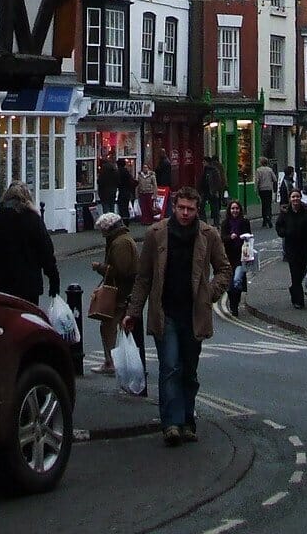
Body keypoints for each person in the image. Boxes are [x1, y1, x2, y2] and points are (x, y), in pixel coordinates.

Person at [125, 186, 230, 447]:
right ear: (173, 206)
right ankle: (171, 423)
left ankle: (187, 421)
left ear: (197, 210)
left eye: (190, 209)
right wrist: (133, 312)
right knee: (170, 367)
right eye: (181, 208)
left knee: (189, 371)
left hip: (194, 314)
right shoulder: (156, 234)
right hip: (166, 312)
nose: (185, 213)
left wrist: (210, 293)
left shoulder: (209, 235)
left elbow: (224, 269)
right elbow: (144, 278)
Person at [0, 180, 59, 303]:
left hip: (3, 285)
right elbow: (46, 253)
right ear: (27, 199)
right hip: (29, 286)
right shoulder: (33, 220)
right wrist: (54, 279)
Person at [89, 211, 140, 375]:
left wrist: (100, 268)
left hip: (119, 292)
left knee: (108, 327)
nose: (102, 234)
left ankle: (111, 362)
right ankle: (124, 360)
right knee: (122, 327)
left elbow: (121, 270)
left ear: (108, 229)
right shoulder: (121, 239)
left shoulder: (120, 243)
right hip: (124, 291)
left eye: (102, 230)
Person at [274, 187, 307, 309]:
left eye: (297, 196)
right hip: (291, 248)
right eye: (293, 197)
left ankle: (294, 289)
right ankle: (299, 301)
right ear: (290, 199)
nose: (295, 199)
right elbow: (279, 227)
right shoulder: (285, 213)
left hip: (305, 247)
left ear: (300, 198)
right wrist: (285, 232)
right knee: (295, 274)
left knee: (301, 272)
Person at [219, 199, 254, 317]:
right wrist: (230, 237)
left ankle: (235, 305)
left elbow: (250, 236)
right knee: (230, 285)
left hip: (241, 257)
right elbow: (222, 238)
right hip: (228, 258)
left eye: (237, 208)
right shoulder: (225, 223)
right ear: (229, 210)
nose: (235, 210)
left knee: (237, 281)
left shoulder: (244, 222)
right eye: (233, 208)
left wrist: (246, 238)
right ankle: (233, 305)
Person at [199, 155, 227, 222]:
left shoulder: (214, 170)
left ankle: (216, 223)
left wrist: (215, 190)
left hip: (212, 191)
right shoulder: (205, 170)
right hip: (205, 192)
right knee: (201, 207)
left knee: (215, 208)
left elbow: (218, 181)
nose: (202, 163)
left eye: (204, 162)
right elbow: (203, 181)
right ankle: (204, 221)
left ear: (207, 162)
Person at [254, 159, 277, 227]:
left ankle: (264, 220)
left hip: (262, 189)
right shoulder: (270, 170)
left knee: (264, 204)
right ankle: (269, 217)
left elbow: (257, 180)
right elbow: (275, 179)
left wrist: (255, 189)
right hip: (269, 189)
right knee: (268, 204)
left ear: (261, 162)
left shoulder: (258, 170)